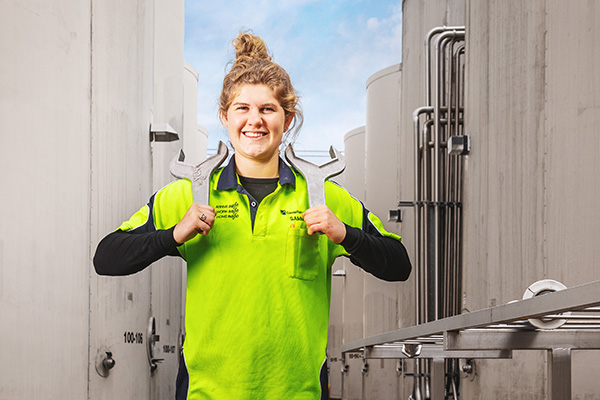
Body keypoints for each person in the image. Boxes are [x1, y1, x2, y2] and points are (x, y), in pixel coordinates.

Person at [94, 32, 411, 400]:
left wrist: (345, 235)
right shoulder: (189, 193)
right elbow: (107, 257)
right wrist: (173, 235)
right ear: (224, 117)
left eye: (268, 109)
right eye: (242, 108)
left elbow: (398, 264)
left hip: (298, 393)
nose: (254, 121)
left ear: (287, 117)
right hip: (206, 394)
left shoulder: (322, 195)